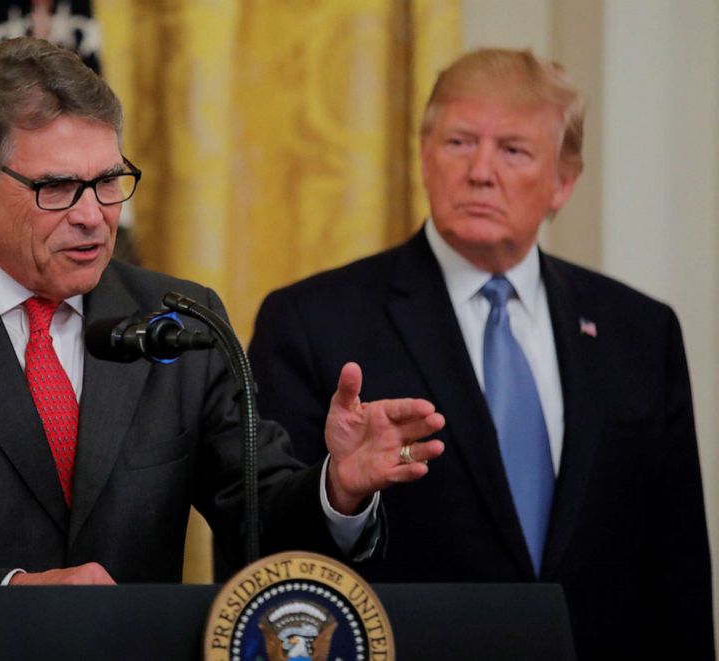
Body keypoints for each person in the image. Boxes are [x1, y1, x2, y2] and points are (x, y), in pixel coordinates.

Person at [0, 37, 445, 659]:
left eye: (108, 179)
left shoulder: (182, 318)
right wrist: (10, 595)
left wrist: (338, 487)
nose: (94, 213)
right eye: (58, 188)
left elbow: (254, 522)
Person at [247, 49, 713, 660]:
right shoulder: (313, 321)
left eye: (513, 150)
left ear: (563, 182)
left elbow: (676, 562)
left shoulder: (641, 331)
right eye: (460, 142)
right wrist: (340, 493)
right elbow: (262, 550)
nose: (480, 171)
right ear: (424, 155)